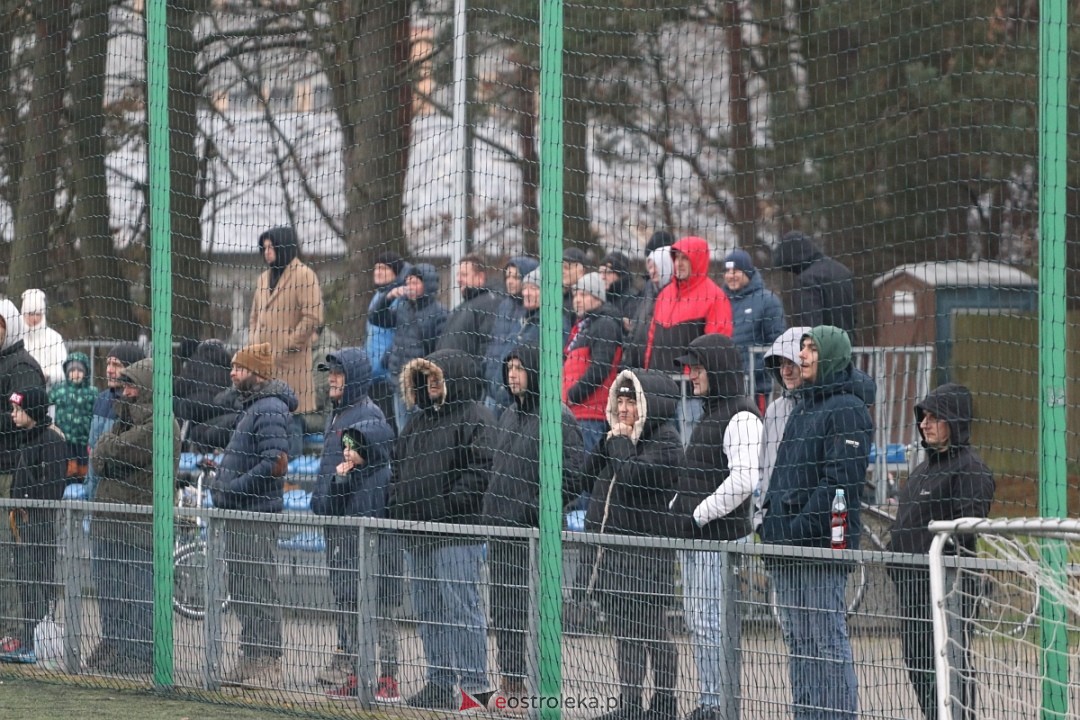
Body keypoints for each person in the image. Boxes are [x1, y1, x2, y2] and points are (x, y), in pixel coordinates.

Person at [759, 326, 873, 720]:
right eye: (802, 347)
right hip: (789, 548)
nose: (802, 355)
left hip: (823, 549)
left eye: (811, 349)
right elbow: (781, 476)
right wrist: (770, 524)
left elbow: (839, 485)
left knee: (826, 641)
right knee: (800, 642)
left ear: (832, 356)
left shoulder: (847, 409)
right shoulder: (802, 405)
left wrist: (795, 530)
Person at [387, 348, 495, 710]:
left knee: (462, 611)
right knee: (429, 611)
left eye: (437, 378)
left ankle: (475, 690)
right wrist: (398, 506)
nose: (432, 386)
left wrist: (447, 506)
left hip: (455, 534)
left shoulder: (476, 417)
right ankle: (439, 683)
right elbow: (398, 469)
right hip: (418, 534)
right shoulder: (416, 422)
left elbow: (481, 472)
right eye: (427, 379)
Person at [666, 334, 762, 720]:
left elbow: (743, 481)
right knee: (697, 623)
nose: (691, 376)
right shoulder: (711, 412)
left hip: (716, 543)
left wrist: (697, 515)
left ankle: (718, 704)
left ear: (717, 369)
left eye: (698, 368)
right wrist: (677, 510)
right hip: (696, 540)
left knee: (710, 624)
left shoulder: (741, 416)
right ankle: (709, 701)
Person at [482, 345, 584, 706]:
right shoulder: (508, 416)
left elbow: (574, 477)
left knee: (535, 613)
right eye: (509, 368)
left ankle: (541, 690)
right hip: (503, 534)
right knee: (505, 611)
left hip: (536, 538)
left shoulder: (558, 418)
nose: (512, 374)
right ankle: (511, 686)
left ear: (535, 372)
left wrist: (531, 510)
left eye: (520, 368)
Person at [580, 370, 684, 720]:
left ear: (647, 405)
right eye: (619, 401)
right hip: (613, 558)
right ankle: (629, 706)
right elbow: (585, 476)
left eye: (631, 402)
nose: (623, 409)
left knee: (654, 634)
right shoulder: (617, 437)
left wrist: (620, 443)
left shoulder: (667, 441)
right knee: (625, 635)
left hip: (647, 559)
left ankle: (665, 703)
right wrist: (607, 440)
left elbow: (635, 477)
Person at [887, 384, 995, 720]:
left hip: (950, 591)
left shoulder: (971, 470)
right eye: (923, 417)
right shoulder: (921, 472)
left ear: (956, 421)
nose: (925, 423)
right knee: (919, 667)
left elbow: (965, 529)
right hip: (913, 590)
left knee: (950, 669)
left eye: (935, 417)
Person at [308, 348, 401, 702]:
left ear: (355, 378)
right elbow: (336, 479)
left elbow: (372, 473)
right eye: (330, 372)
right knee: (347, 604)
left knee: (379, 611)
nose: (331, 379)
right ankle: (356, 673)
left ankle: (387, 677)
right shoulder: (338, 413)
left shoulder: (369, 415)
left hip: (366, 537)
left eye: (339, 373)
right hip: (340, 532)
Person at [209, 342, 298, 687]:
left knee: (259, 588)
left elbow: (274, 464)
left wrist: (233, 488)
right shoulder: (253, 408)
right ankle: (250, 656)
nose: (232, 374)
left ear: (257, 373)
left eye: (239, 368)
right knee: (243, 589)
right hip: (241, 514)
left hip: (256, 515)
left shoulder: (271, 408)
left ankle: (268, 660)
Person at [86, 358, 180, 675]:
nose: (125, 392)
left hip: (140, 529)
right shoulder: (123, 422)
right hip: (109, 524)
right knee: (111, 592)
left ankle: (140, 654)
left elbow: (122, 452)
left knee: (139, 595)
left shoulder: (163, 425)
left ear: (146, 389)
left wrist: (108, 447)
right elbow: (98, 460)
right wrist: (109, 448)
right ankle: (116, 645)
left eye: (131, 386)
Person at [0, 385, 66, 664]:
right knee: (25, 581)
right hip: (24, 524)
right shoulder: (27, 438)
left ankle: (37, 640)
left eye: (18, 409)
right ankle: (27, 639)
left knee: (37, 581)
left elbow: (52, 487)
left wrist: (27, 502)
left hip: (40, 524)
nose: (13, 415)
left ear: (33, 412)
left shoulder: (51, 440)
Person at [0, 299, 46, 650]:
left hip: (11, 475)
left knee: (12, 556)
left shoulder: (22, 367)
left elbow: (28, 422)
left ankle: (17, 632)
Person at [248, 225, 325, 417]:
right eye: (264, 248)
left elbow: (313, 316)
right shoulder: (263, 279)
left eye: (271, 247)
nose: (267, 253)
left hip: (291, 365)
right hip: (263, 364)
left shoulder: (304, 275)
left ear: (284, 247)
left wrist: (290, 343)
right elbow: (254, 316)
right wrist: (253, 341)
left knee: (290, 420)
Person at [640, 236, 732, 373]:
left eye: (685, 258)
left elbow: (716, 349)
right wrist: (647, 372)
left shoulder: (715, 297)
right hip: (657, 384)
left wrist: (692, 378)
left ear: (697, 260)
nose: (678, 263)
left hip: (689, 388)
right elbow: (651, 341)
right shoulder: (664, 295)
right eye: (676, 257)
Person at [752, 327, 811, 532]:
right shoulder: (774, 410)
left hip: (808, 530)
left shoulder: (824, 409)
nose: (785, 371)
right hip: (773, 526)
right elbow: (763, 470)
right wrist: (761, 519)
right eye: (781, 364)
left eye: (791, 363)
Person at [563, 272, 624, 457]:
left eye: (583, 295)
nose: (577, 300)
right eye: (575, 295)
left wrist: (573, 395)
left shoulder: (604, 325)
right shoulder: (582, 327)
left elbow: (601, 367)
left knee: (585, 470)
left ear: (597, 297)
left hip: (591, 414)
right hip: (576, 412)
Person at [384, 262, 447, 433]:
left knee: (423, 431)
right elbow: (377, 318)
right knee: (403, 431)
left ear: (427, 285)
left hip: (422, 385)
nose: (410, 287)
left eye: (415, 282)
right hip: (399, 382)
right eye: (408, 282)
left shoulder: (439, 313)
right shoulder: (401, 307)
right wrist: (387, 298)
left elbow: (439, 348)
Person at [720, 249, 787, 407]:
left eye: (735, 270)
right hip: (725, 388)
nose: (731, 275)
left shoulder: (768, 301)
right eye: (727, 271)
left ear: (747, 272)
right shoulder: (719, 300)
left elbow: (777, 343)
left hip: (756, 388)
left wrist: (752, 369)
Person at [84, 343, 145, 500]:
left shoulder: (138, 405)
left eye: (116, 365)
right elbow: (92, 448)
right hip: (94, 489)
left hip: (119, 496)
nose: (109, 370)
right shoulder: (101, 398)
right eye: (108, 364)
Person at [481, 255, 539, 412]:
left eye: (516, 277)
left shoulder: (531, 313)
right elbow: (494, 343)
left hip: (511, 395)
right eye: (508, 276)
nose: (510, 281)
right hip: (492, 390)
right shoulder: (504, 306)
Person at [773, 231, 856, 337]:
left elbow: (810, 324)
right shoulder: (843, 272)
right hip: (847, 347)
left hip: (822, 350)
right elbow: (853, 317)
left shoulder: (806, 280)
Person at [365, 251, 412, 430]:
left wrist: (389, 356)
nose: (378, 272)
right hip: (373, 375)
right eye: (376, 268)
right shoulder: (378, 297)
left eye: (383, 268)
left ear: (395, 272)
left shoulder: (401, 298)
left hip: (388, 374)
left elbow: (405, 331)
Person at [437, 254, 502, 364]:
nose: (458, 279)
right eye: (458, 275)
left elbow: (487, 346)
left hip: (468, 378)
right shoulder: (464, 305)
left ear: (480, 277)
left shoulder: (489, 303)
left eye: (464, 275)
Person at [173, 339, 234, 452]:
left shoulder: (196, 359)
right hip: (222, 406)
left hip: (198, 402)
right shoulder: (228, 363)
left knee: (184, 407)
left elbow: (180, 386)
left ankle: (181, 446)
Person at [622, 244, 674, 371]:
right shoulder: (649, 291)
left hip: (663, 367)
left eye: (656, 266)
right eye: (650, 267)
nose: (652, 271)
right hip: (639, 365)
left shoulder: (675, 295)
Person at [48, 351, 98, 478]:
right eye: (72, 370)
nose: (76, 374)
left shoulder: (92, 393)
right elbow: (46, 404)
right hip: (65, 441)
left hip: (83, 441)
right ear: (67, 372)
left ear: (86, 372)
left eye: (80, 370)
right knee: (67, 470)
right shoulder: (59, 390)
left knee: (84, 471)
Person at [19, 289, 66, 390]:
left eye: (38, 314)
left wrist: (47, 375)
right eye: (30, 314)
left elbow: (63, 369)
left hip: (49, 394)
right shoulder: (17, 338)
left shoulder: (54, 338)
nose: (34, 318)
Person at [599, 251, 639, 335]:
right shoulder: (599, 296)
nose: (602, 277)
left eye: (608, 272)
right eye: (600, 272)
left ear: (620, 275)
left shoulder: (632, 299)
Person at [562, 247, 589, 321]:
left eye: (567, 267)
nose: (562, 271)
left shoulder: (589, 298)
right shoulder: (559, 295)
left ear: (582, 271)